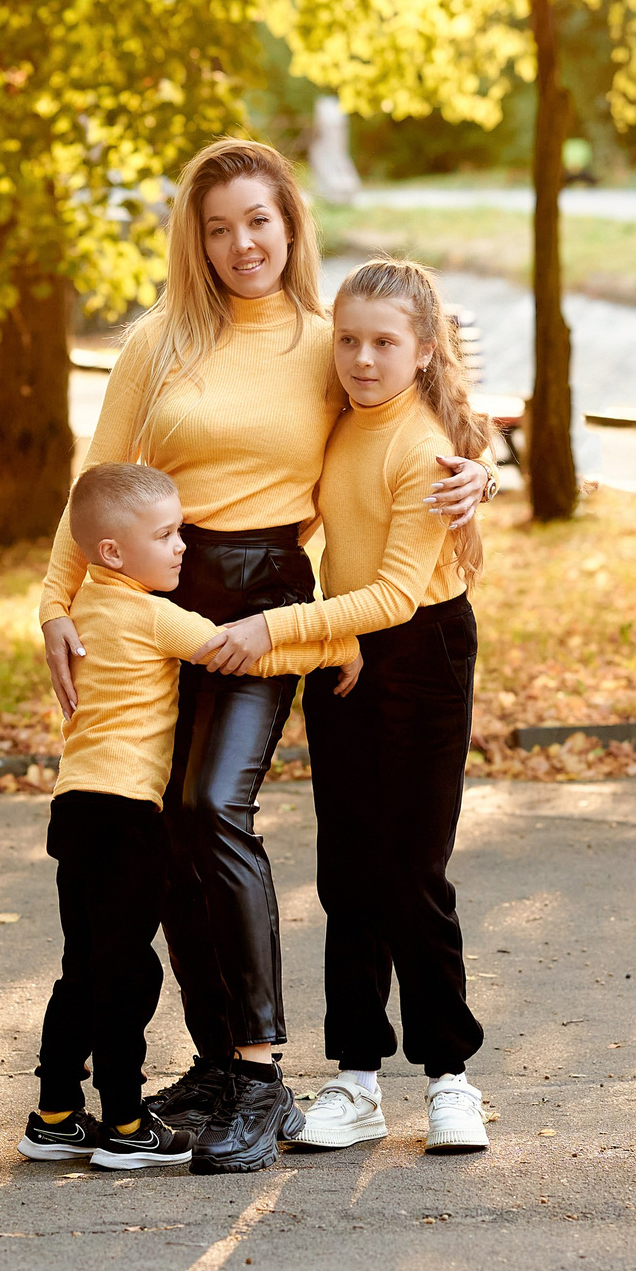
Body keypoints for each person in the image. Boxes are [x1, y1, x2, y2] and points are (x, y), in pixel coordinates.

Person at [37, 140, 496, 1174]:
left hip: (272, 597)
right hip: (154, 594)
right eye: (217, 226)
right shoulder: (158, 342)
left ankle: (256, 1068)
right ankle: (211, 1058)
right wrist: (55, 601)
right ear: (192, 240)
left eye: (259, 220)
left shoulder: (327, 344)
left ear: (290, 225)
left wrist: (484, 478)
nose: (241, 243)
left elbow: (425, 409)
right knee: (158, 827)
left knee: (210, 806)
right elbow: (95, 478)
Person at [197, 257, 491, 1155]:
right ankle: (356, 1080)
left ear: (423, 348)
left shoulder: (425, 444)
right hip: (345, 651)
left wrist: (276, 629)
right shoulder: (340, 422)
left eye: (385, 343)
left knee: (412, 873)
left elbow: (401, 593)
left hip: (421, 652)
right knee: (347, 872)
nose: (363, 359)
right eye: (350, 340)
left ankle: (451, 1079)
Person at [20, 462, 360, 1173]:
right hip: (127, 817)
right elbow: (230, 649)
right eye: (168, 534)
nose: (184, 546)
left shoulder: (84, 608)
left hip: (74, 808)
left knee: (80, 967)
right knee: (128, 974)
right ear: (113, 552)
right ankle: (124, 1121)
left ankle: (54, 1114)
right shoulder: (151, 614)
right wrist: (335, 643)